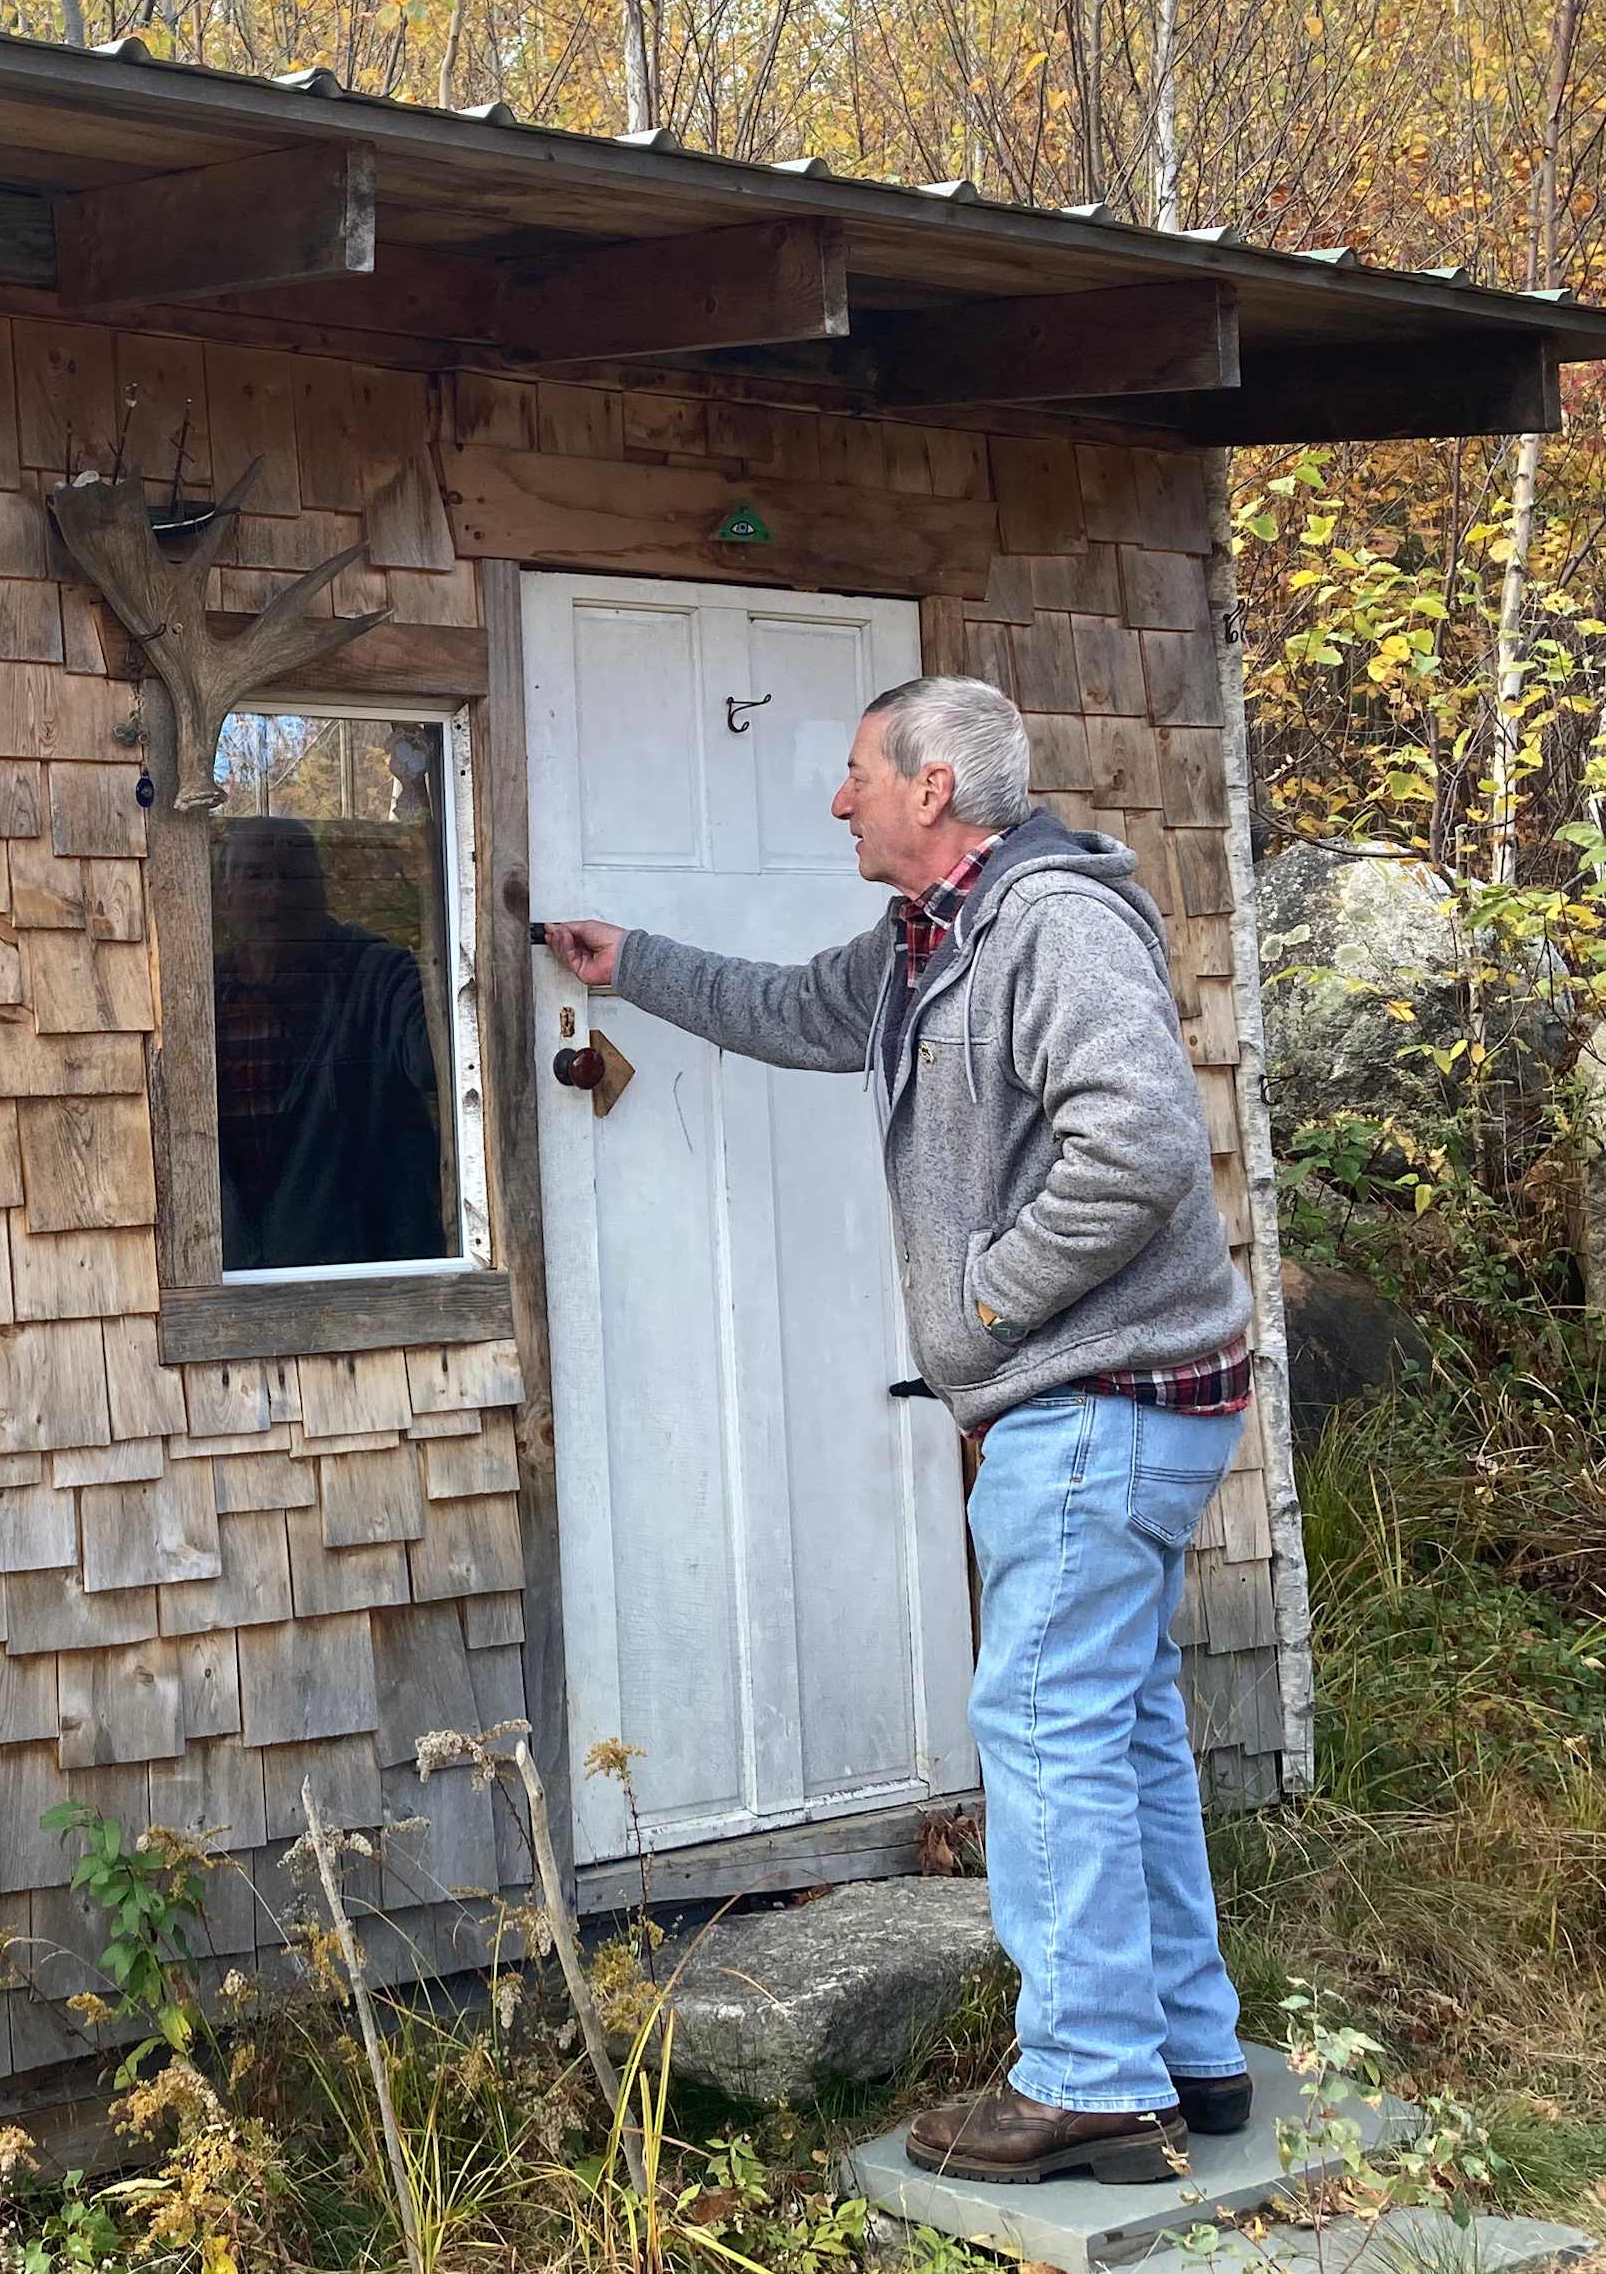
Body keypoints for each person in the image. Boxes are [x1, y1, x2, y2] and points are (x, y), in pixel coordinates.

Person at [538, 675, 1257, 2185]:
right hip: (1112, 1401)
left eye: (858, 772)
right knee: (1117, 1729)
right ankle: (1188, 2050)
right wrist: (636, 964)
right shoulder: (931, 941)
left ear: (933, 789)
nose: (838, 797)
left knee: (1047, 1729)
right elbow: (800, 1008)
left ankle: (1093, 2082)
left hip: (1096, 1397)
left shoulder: (1047, 925)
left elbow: (1139, 1142)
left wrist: (986, 1313)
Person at [213, 814, 449, 1270]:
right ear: (226, 893)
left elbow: (437, 1060)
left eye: (293, 876)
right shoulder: (201, 996)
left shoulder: (379, 979)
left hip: (368, 1292)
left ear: (321, 893)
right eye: (255, 874)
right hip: (232, 1295)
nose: (274, 895)